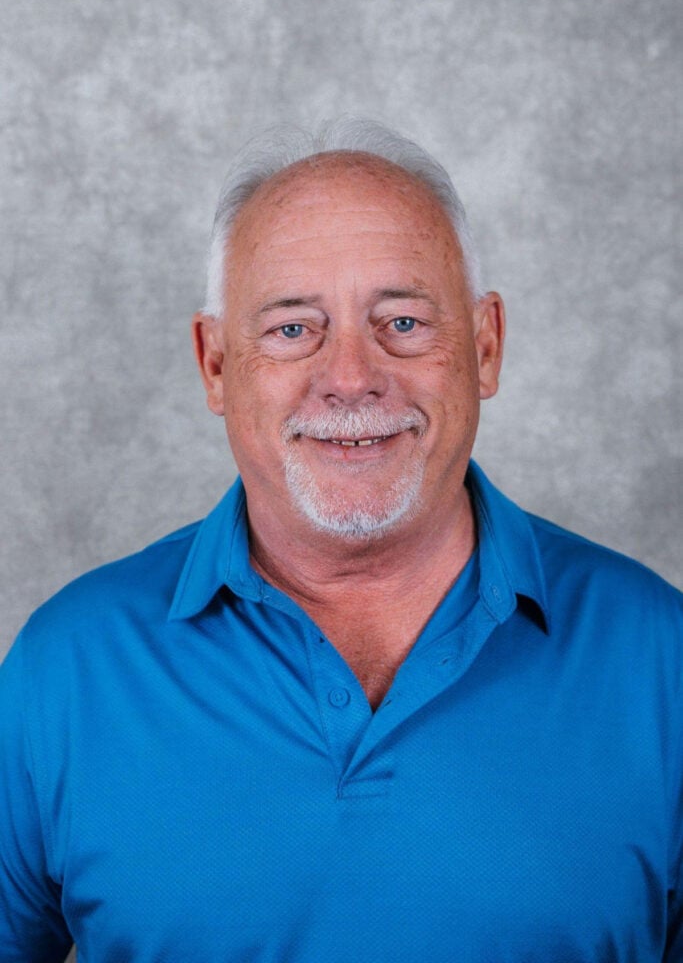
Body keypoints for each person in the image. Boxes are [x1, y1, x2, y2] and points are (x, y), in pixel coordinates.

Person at [0, 119, 680, 963]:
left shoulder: (661, 659)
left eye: (400, 322)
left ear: (485, 347)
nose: (352, 378)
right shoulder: (65, 670)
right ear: (215, 365)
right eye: (292, 328)